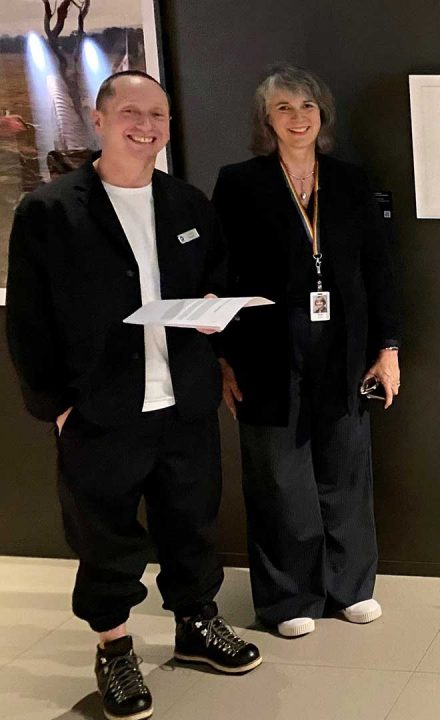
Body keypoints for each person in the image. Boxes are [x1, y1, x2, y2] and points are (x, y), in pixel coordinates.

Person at [5, 71, 261, 720]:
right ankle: (114, 649)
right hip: (100, 410)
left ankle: (196, 623)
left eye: (158, 115)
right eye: (131, 112)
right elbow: (28, 323)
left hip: (185, 405)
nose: (145, 125)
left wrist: (213, 309)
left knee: (193, 524)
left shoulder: (188, 204)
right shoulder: (52, 211)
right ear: (99, 119)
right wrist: (56, 406)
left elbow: (216, 278)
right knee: (104, 537)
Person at [212, 64, 400, 639]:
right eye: (284, 109)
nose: (298, 118)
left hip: (343, 345)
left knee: (346, 468)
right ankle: (288, 598)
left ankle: (350, 587)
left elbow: (380, 271)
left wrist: (388, 348)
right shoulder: (240, 182)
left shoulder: (348, 180)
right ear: (266, 121)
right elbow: (220, 272)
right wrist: (222, 358)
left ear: (324, 116)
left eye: (307, 107)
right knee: (277, 474)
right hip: (267, 345)